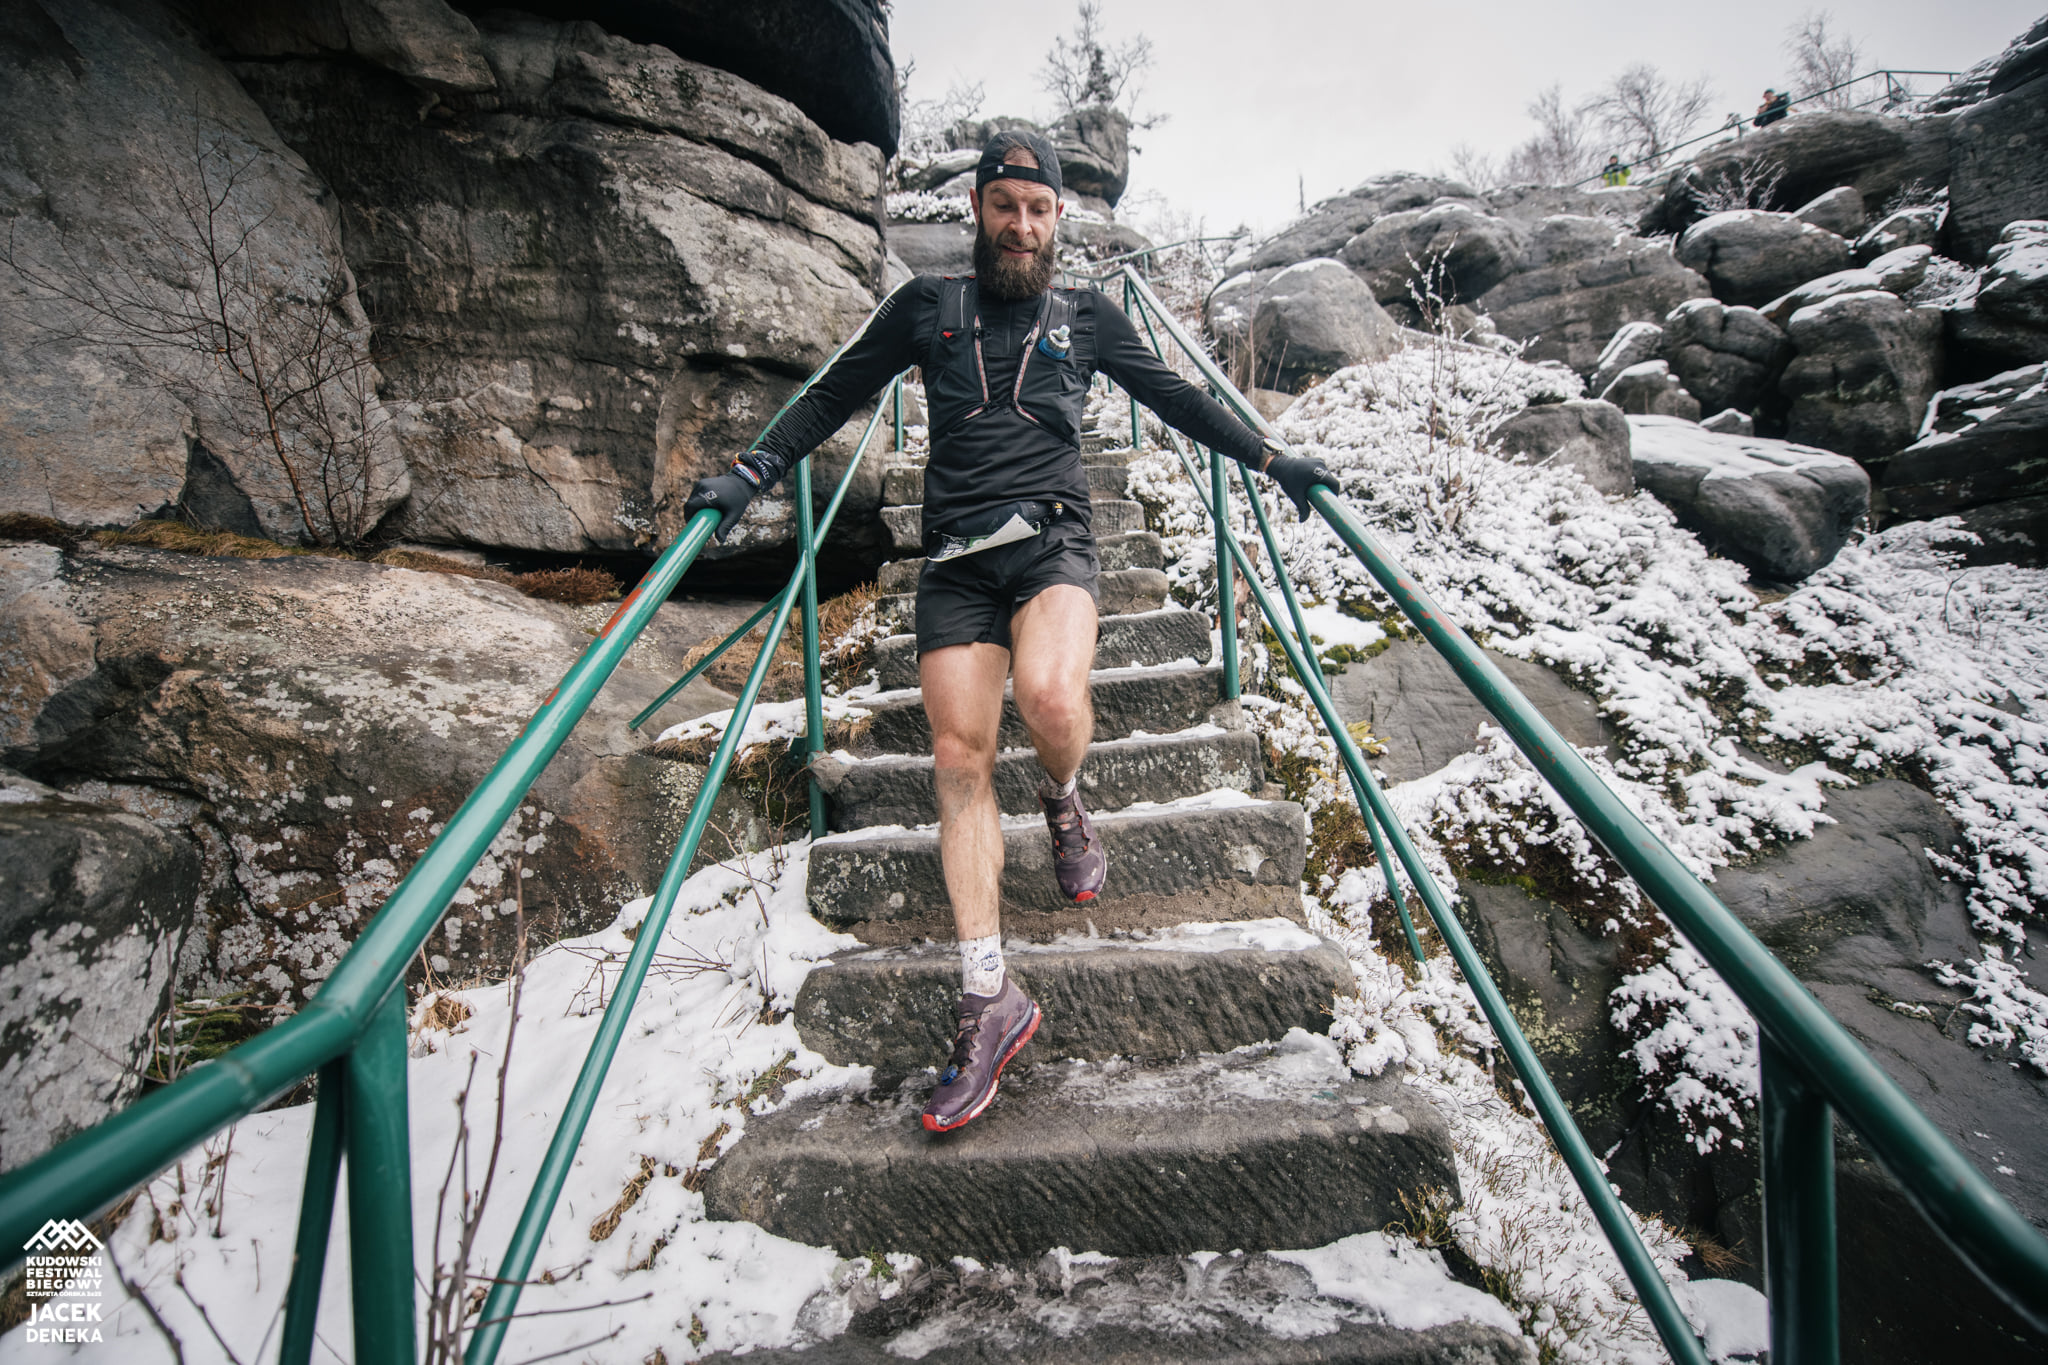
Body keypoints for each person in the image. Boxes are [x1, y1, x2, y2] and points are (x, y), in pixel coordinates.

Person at [682, 129, 1329, 1134]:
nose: (1020, 226)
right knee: (953, 753)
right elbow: (833, 394)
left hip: (1055, 542)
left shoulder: (1086, 316)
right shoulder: (925, 309)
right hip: (953, 563)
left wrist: (1268, 456)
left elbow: (1175, 398)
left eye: (1038, 210)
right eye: (1004, 207)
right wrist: (751, 474)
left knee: (1053, 699)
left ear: (1057, 219)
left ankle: (1065, 798)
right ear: (978, 212)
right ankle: (989, 996)